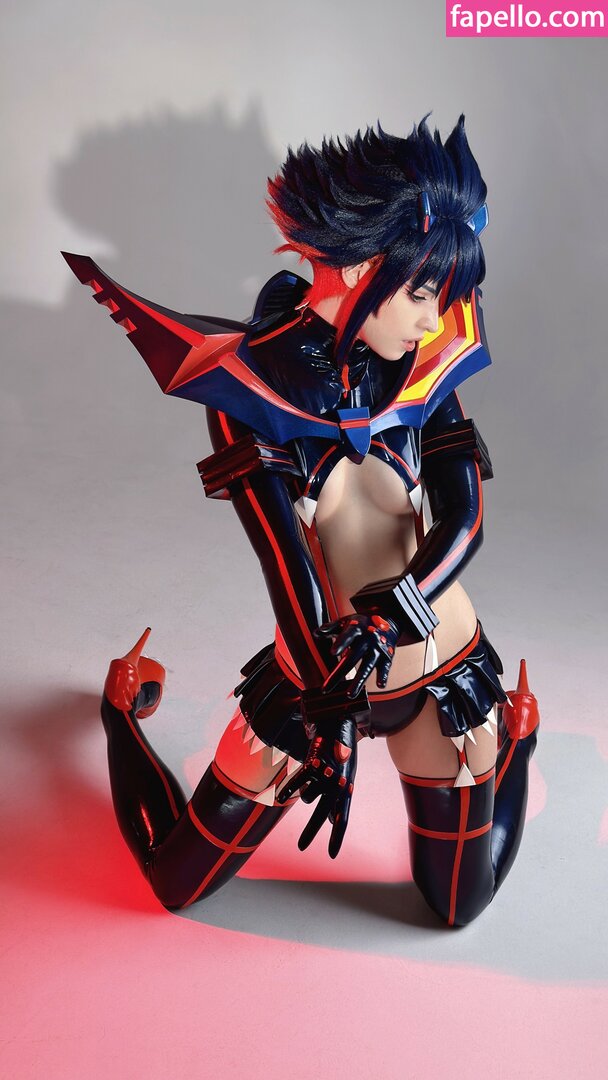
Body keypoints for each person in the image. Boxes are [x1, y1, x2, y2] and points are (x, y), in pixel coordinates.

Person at [64, 115, 539, 927]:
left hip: (443, 668)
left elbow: (465, 519)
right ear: (355, 267)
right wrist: (331, 709)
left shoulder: (425, 368)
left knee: (459, 906)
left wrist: (389, 616)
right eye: (421, 293)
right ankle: (119, 713)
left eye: (444, 296)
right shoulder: (244, 390)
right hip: (317, 676)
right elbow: (287, 567)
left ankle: (519, 737)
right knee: (175, 881)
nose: (435, 320)